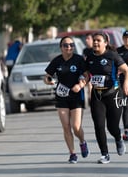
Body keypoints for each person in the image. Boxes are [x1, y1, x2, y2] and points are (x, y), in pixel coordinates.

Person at [85, 31, 128, 164]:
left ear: (105, 43)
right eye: (94, 40)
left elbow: (127, 71)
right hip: (97, 96)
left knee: (112, 126)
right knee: (99, 125)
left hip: (113, 94)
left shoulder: (112, 56)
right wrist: (84, 79)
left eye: (98, 40)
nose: (95, 43)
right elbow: (88, 73)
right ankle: (104, 154)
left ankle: (118, 138)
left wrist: (126, 84)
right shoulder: (89, 57)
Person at [44, 36, 89, 164]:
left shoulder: (79, 59)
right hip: (61, 96)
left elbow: (87, 75)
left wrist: (80, 85)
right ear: (61, 47)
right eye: (65, 45)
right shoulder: (57, 61)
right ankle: (73, 154)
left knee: (76, 126)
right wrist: (48, 81)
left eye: (71, 45)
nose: (69, 47)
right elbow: (47, 76)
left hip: (76, 96)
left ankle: (82, 142)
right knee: (66, 126)